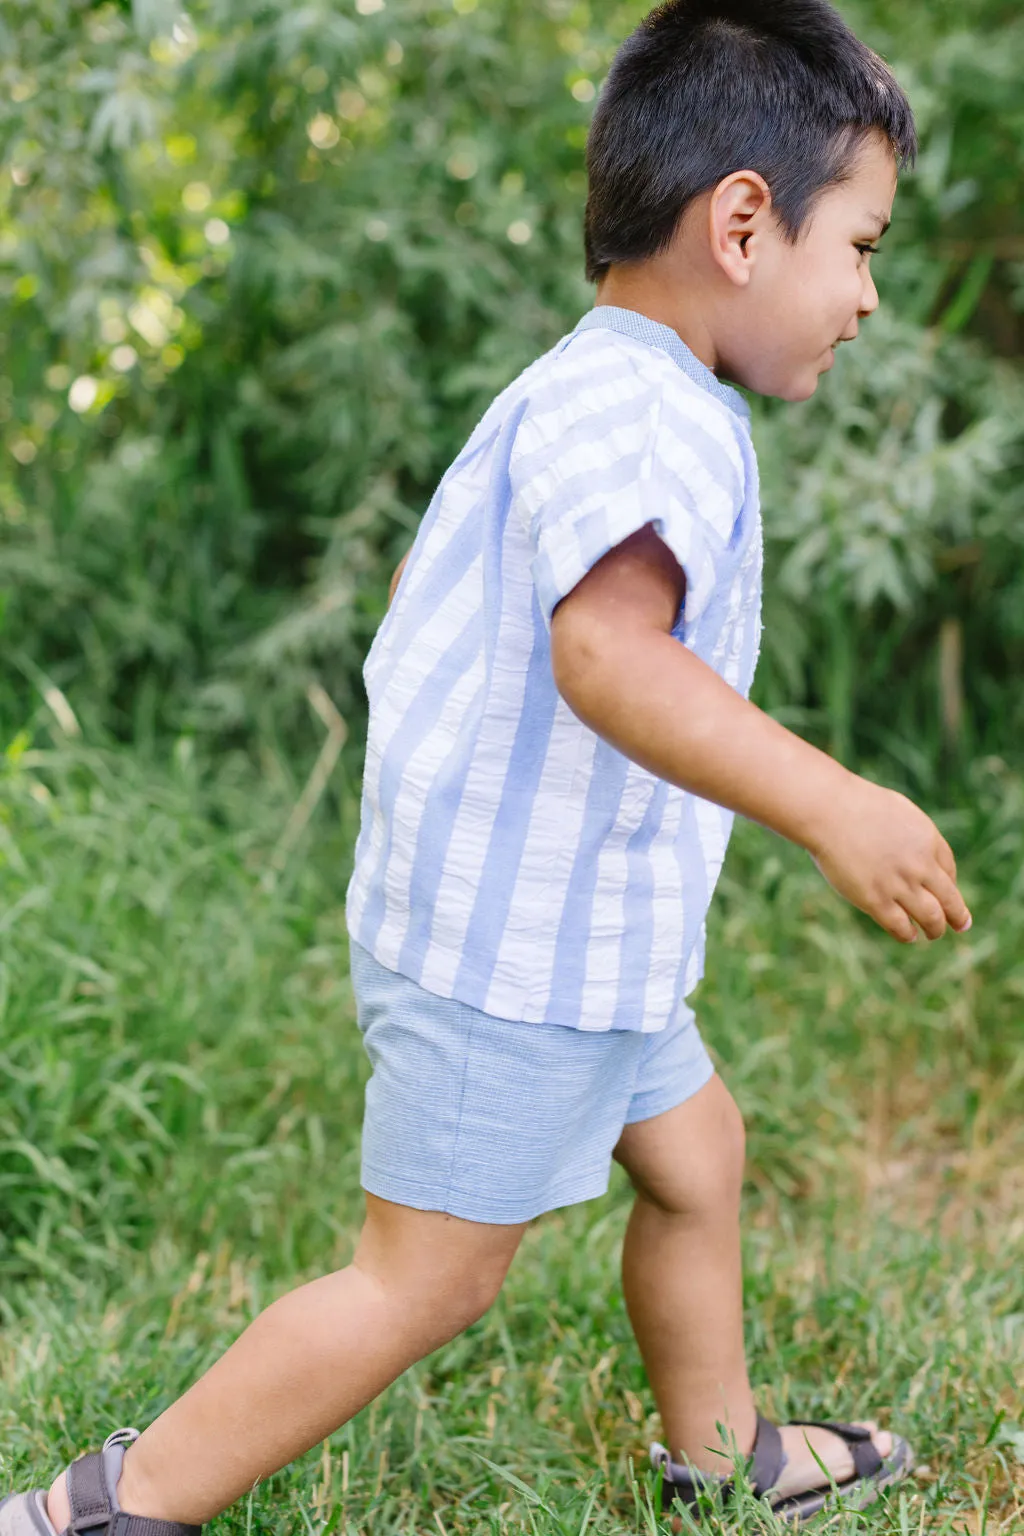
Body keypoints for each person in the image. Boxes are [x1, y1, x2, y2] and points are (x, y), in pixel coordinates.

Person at [2, 1, 973, 1532]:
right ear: (741, 225)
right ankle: (101, 1509)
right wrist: (832, 802)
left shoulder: (593, 382)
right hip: (514, 961)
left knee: (697, 1152)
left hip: (589, 945)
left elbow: (434, 600)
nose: (865, 293)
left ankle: (722, 1462)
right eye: (858, 245)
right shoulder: (640, 408)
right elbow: (606, 655)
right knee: (428, 1277)